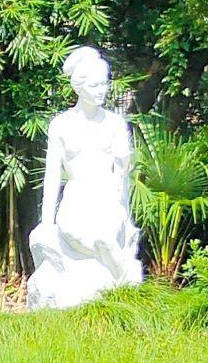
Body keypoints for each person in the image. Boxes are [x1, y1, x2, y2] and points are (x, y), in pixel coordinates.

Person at [27, 46, 143, 310]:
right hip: (76, 199)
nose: (101, 90)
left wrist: (125, 212)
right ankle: (121, 276)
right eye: (94, 85)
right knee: (82, 234)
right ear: (79, 87)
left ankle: (120, 279)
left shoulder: (115, 124)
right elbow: (53, 175)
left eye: (104, 84)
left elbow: (122, 175)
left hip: (106, 198)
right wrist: (46, 222)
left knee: (105, 235)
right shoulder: (62, 124)